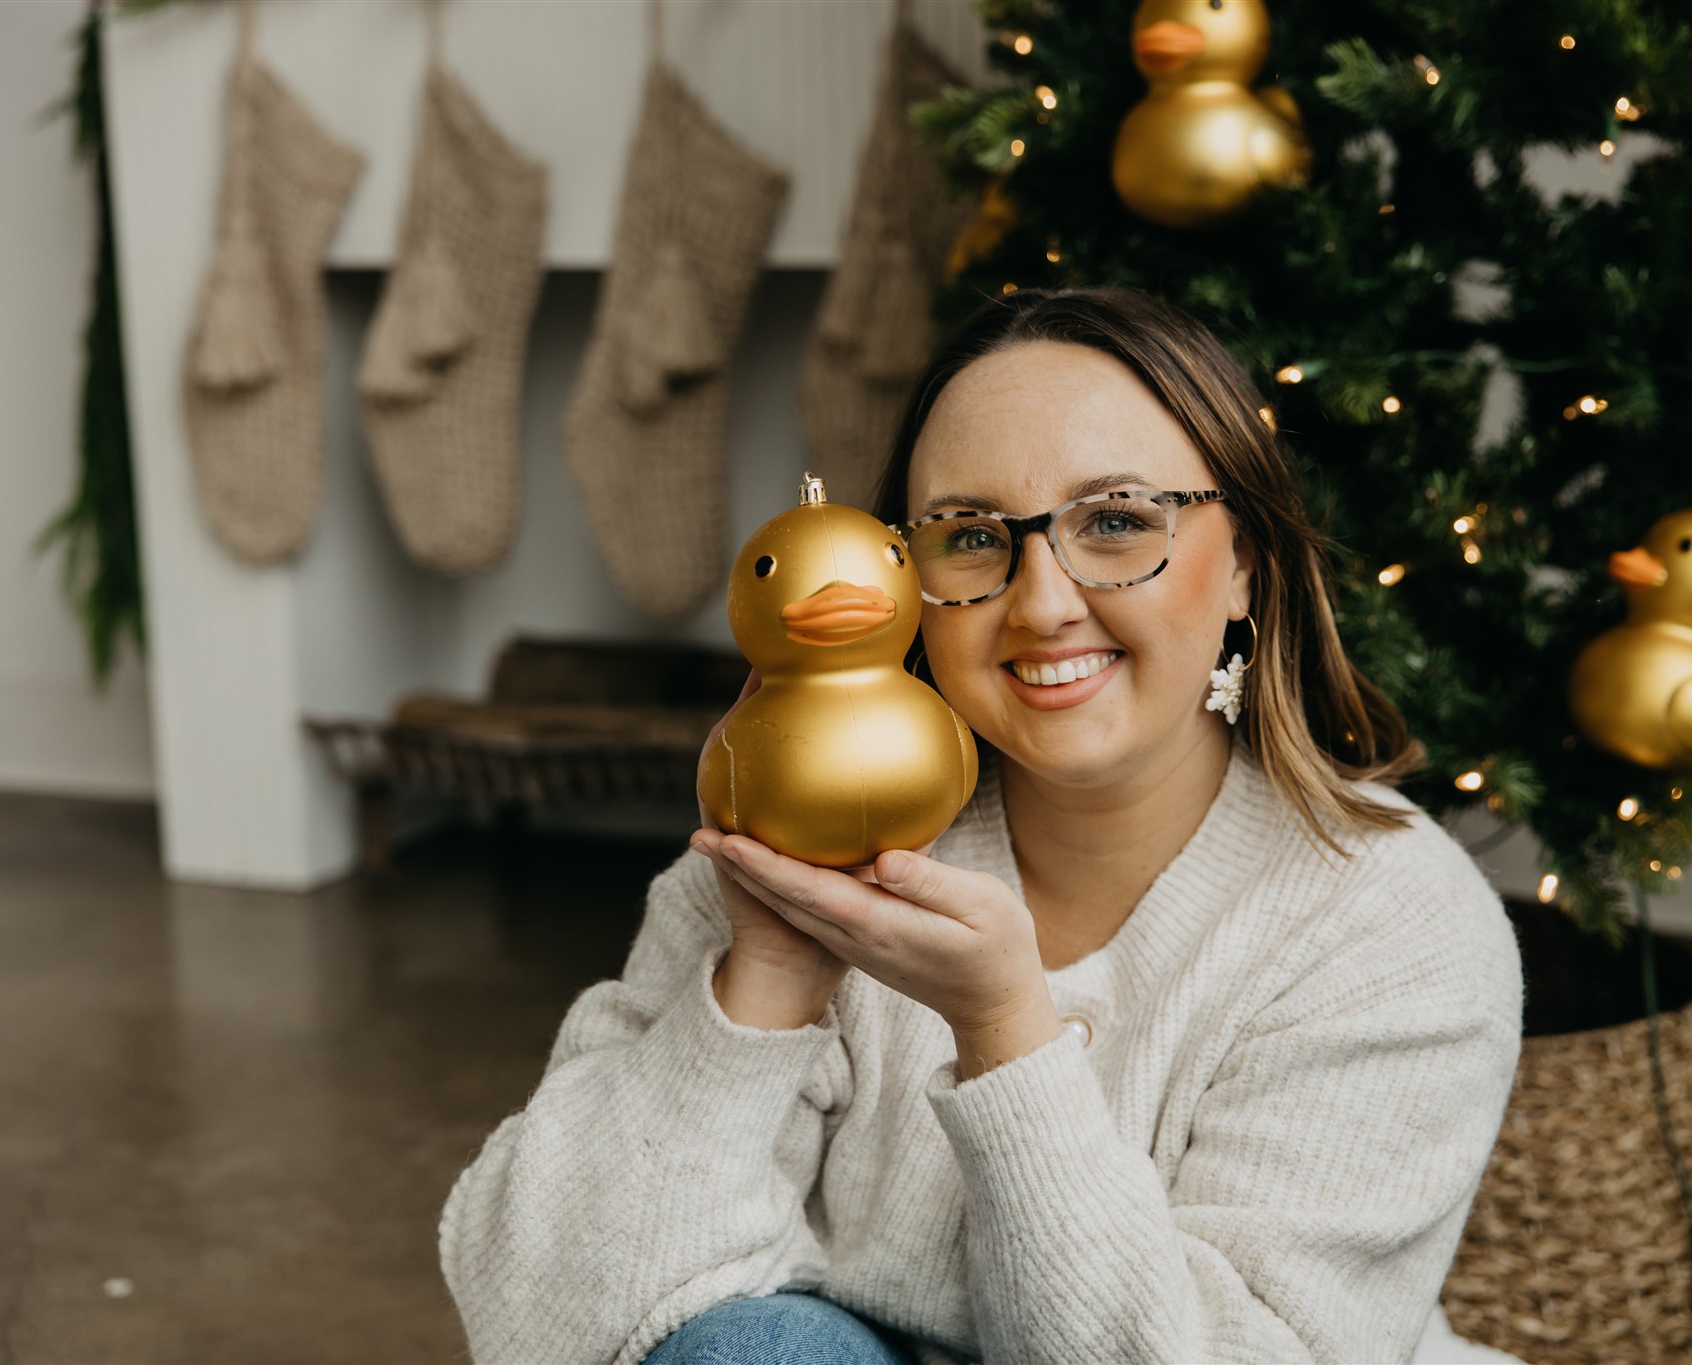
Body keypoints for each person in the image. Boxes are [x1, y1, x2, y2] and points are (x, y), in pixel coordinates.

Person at [438, 288, 1523, 1364]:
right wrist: (764, 982)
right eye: (968, 537)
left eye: (1113, 523)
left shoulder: (1388, 923)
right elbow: (537, 1322)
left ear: (1243, 561)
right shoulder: (788, 854)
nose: (1041, 603)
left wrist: (1005, 1030)